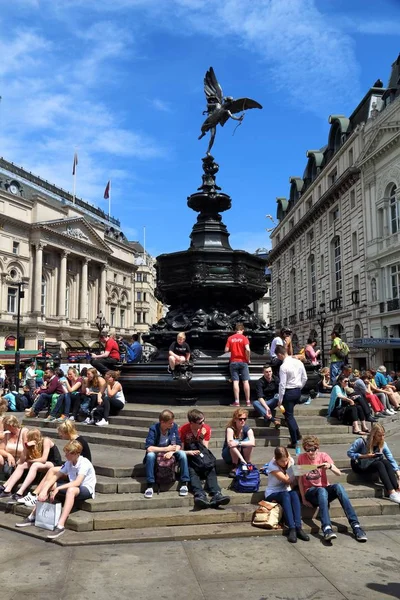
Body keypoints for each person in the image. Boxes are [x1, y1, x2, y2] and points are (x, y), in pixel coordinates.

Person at [16, 440, 97, 540]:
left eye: (68, 454)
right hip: (72, 487)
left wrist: (58, 488)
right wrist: (44, 490)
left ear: (75, 454)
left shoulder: (84, 463)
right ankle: (32, 516)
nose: (66, 456)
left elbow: (77, 483)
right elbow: (56, 476)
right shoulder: (69, 462)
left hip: (86, 489)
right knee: (48, 484)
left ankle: (60, 525)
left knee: (71, 490)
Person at [297, 435, 368, 543]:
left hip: (324, 491)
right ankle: (326, 528)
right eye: (307, 450)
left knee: (338, 486)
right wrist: (303, 499)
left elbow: (338, 473)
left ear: (317, 448)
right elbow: (299, 480)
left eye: (313, 449)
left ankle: (356, 525)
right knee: (321, 490)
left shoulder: (323, 455)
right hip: (311, 492)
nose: (310, 453)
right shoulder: (301, 458)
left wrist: (330, 466)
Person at [16, 419, 92, 509]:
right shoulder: (75, 440)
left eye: (61, 433)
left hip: (79, 472)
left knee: (52, 470)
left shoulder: (78, 442)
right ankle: (35, 494)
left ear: (66, 432)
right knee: (52, 471)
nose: (60, 435)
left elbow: (81, 462)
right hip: (73, 468)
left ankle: (35, 495)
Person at [179, 409, 230, 509]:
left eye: (204, 420)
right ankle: (200, 494)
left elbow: (205, 448)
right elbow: (181, 450)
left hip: (202, 455)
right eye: (200, 422)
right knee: (192, 471)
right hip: (190, 456)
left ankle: (216, 494)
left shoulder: (206, 428)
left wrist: (201, 437)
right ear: (192, 422)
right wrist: (189, 453)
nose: (203, 423)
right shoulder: (183, 430)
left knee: (210, 468)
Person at [0, 428, 62, 500]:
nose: (27, 440)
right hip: (39, 462)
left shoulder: (46, 441)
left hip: (53, 462)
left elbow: (43, 459)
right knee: (21, 465)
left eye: (29, 438)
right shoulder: (31, 445)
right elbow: (22, 461)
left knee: (35, 465)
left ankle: (20, 492)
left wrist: (29, 461)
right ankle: (7, 490)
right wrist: (26, 448)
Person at [265, 446, 310, 543]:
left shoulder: (290, 460)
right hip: (273, 492)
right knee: (285, 494)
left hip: (286, 491)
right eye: (282, 461)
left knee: (293, 494)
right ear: (276, 459)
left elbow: (293, 482)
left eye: (286, 460)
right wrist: (291, 466)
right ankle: (292, 528)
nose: (285, 463)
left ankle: (298, 527)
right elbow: (287, 480)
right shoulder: (272, 466)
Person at [347, 424, 400, 504]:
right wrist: (365, 456)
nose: (381, 438)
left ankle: (397, 489)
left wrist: (398, 473)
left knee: (385, 461)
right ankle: (391, 492)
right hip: (359, 465)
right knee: (379, 464)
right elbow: (349, 453)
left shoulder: (383, 443)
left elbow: (390, 458)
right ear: (373, 435)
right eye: (379, 435)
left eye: (383, 435)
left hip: (372, 463)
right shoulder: (362, 441)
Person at [143, 409, 190, 499]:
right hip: (158, 451)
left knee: (182, 455)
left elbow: (179, 444)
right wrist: (166, 449)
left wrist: (171, 451)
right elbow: (149, 448)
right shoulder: (154, 429)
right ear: (162, 422)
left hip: (171, 451)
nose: (172, 425)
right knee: (150, 455)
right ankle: (150, 485)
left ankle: (184, 483)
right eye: (170, 423)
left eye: (172, 423)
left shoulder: (174, 427)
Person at [275, 345, 307, 449]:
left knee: (289, 417)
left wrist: (280, 399)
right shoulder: (299, 362)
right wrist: (299, 388)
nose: (278, 358)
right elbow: (305, 378)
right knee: (291, 415)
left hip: (288, 392)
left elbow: (282, 384)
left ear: (280, 354)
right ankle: (297, 434)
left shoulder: (283, 366)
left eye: (278, 356)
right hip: (297, 390)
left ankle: (294, 440)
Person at [222, 408, 255, 477]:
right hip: (229, 455)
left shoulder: (247, 429)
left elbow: (252, 442)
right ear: (235, 419)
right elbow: (231, 445)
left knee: (247, 443)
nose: (243, 421)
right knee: (234, 443)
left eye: (244, 419)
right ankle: (235, 466)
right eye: (240, 419)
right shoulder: (230, 429)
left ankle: (248, 463)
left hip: (242, 453)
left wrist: (239, 443)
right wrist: (241, 459)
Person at [224, 322, 251, 407]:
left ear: (235, 330)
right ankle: (248, 401)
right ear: (242, 330)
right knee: (245, 381)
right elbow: (248, 349)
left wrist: (233, 348)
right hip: (243, 362)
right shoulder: (244, 338)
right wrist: (248, 359)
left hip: (233, 362)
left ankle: (237, 402)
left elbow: (226, 350)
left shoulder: (230, 338)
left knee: (235, 382)